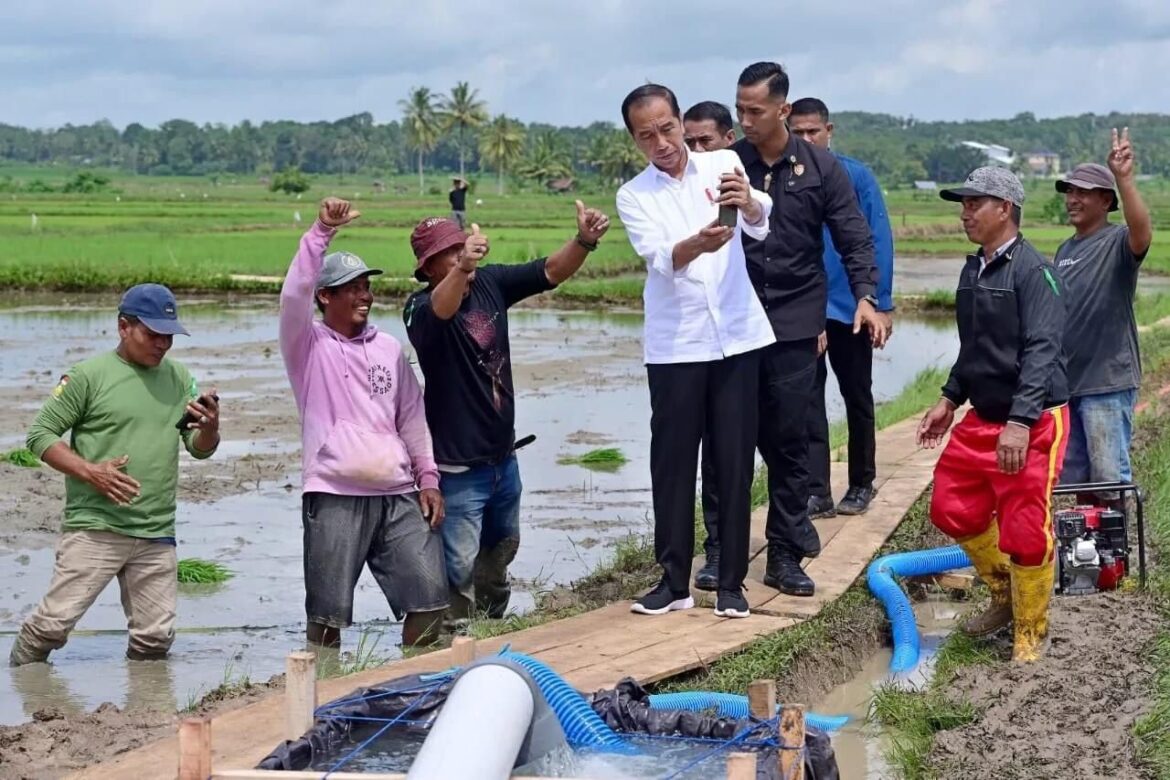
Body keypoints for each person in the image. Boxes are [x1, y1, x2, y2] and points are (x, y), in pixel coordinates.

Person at [721, 62, 887, 598]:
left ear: (783, 110)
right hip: (733, 320)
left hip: (794, 320)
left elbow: (854, 238)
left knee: (791, 441)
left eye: (756, 110)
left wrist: (866, 297)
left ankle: (785, 556)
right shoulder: (727, 164)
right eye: (740, 109)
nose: (745, 120)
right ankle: (722, 552)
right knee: (729, 439)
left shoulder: (820, 168)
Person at [404, 203, 610, 627]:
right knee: (457, 566)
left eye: (461, 246)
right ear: (428, 270)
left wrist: (585, 241)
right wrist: (461, 269)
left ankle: (492, 624)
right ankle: (451, 640)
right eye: (450, 253)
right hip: (457, 470)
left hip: (503, 460)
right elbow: (442, 310)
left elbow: (549, 271)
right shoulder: (420, 310)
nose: (462, 255)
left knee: (499, 552)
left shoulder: (490, 283)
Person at [616, 83, 776, 619]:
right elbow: (662, 257)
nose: (661, 142)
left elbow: (759, 220)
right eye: (646, 136)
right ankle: (673, 581)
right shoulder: (634, 194)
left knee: (733, 461)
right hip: (676, 343)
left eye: (666, 128)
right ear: (634, 140)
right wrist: (697, 245)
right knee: (674, 464)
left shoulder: (723, 163)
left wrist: (749, 202)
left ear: (681, 120)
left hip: (737, 336)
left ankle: (730, 583)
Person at [10, 284, 221, 666]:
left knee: (155, 639)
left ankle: (144, 714)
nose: (162, 345)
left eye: (168, 336)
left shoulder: (180, 379)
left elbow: (198, 448)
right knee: (52, 626)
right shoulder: (88, 377)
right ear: (124, 326)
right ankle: (23, 687)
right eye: (152, 334)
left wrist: (209, 428)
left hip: (156, 529)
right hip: (96, 526)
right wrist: (91, 471)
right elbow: (39, 435)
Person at [280, 197, 447, 650]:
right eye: (350, 288)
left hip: (397, 493)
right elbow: (293, 292)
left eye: (366, 287)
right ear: (325, 296)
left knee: (431, 603)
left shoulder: (388, 349)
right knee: (327, 618)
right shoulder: (307, 346)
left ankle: (408, 683)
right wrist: (321, 232)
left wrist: (427, 476)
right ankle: (325, 695)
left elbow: (412, 417)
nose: (364, 295)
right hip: (335, 494)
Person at [917, 167, 1068, 663]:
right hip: (982, 416)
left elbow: (1043, 351)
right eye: (963, 204)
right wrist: (948, 398)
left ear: (1004, 208)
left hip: (1033, 420)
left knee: (1025, 529)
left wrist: (1021, 422)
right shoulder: (974, 269)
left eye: (974, 204)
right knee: (950, 506)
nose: (965, 214)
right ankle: (1004, 595)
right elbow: (974, 347)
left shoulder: (1033, 272)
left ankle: (1030, 627)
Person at [789, 97, 895, 519]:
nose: (806, 139)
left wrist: (878, 303)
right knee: (808, 400)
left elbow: (878, 241)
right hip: (804, 310)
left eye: (813, 131)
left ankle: (861, 482)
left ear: (829, 131)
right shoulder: (785, 177)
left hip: (851, 308)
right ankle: (817, 491)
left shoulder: (855, 177)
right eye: (798, 131)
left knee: (857, 395)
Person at [1054, 129, 1154, 506]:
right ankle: (1087, 557)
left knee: (1109, 478)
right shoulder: (1065, 248)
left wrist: (1125, 178)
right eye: (1069, 191)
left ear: (1105, 200)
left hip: (1107, 381)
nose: (1072, 199)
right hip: (1070, 384)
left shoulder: (1118, 242)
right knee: (1076, 477)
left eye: (1082, 192)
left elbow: (1143, 231)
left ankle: (1114, 561)